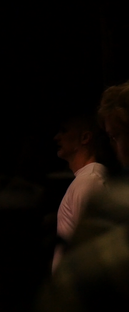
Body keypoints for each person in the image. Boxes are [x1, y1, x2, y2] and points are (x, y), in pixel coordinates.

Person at [53, 114, 107, 271]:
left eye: (64, 131)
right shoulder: (85, 179)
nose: (56, 137)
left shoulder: (89, 181)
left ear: (85, 138)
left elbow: (91, 247)